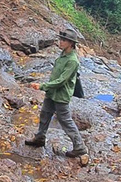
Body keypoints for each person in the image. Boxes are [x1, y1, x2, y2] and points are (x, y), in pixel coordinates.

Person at [24, 28, 87, 158]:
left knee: (65, 120)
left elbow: (61, 81)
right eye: (60, 39)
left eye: (64, 40)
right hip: (52, 92)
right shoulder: (63, 54)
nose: (61, 42)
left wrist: (42, 86)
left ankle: (79, 147)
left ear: (71, 43)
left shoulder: (72, 60)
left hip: (61, 95)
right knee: (45, 114)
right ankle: (40, 138)